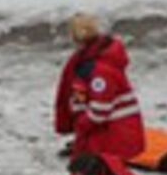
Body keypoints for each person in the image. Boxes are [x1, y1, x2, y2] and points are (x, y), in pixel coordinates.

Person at [53, 13, 145, 161]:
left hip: (113, 134)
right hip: (111, 130)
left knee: (104, 172)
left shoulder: (99, 70)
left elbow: (100, 110)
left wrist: (82, 124)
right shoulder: (92, 60)